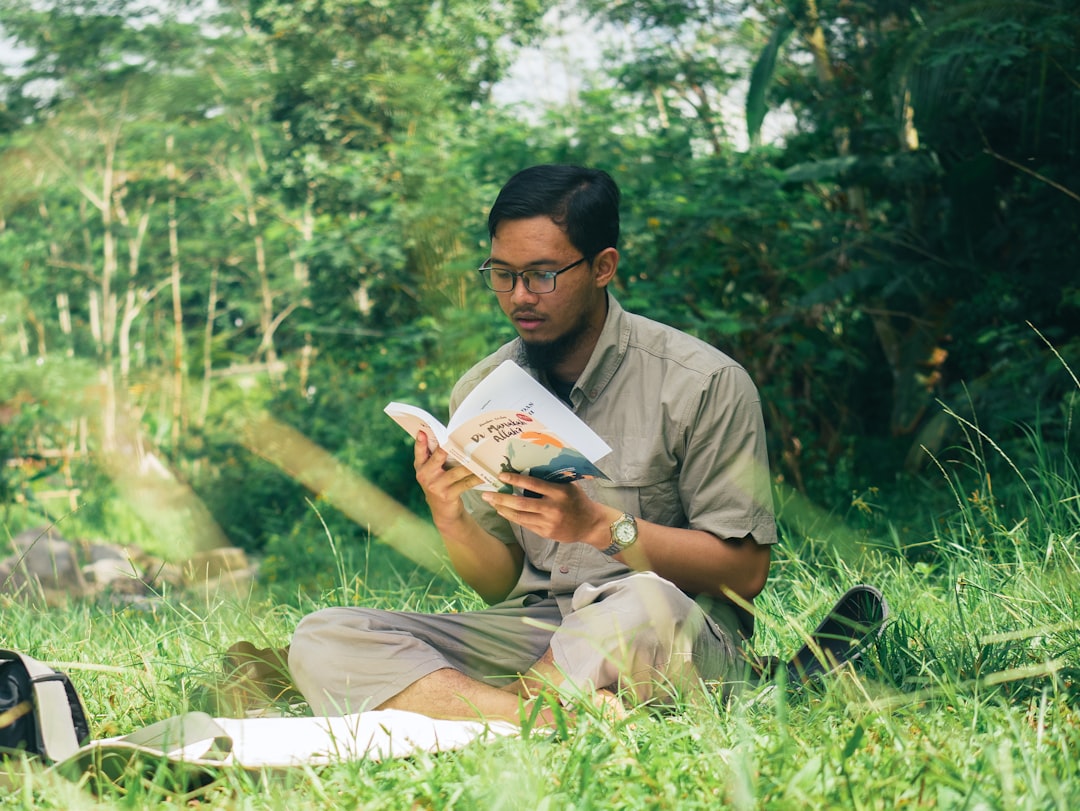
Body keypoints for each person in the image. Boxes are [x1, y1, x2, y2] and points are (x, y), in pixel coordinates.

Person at [289, 164, 777, 724]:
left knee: (643, 601)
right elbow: (502, 584)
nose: (519, 296)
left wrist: (598, 527)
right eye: (502, 274)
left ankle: (481, 710)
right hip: (540, 632)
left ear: (602, 267)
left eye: (542, 275)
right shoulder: (482, 389)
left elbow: (745, 574)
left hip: (671, 631)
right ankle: (551, 716)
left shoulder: (702, 383)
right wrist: (448, 513)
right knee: (326, 636)